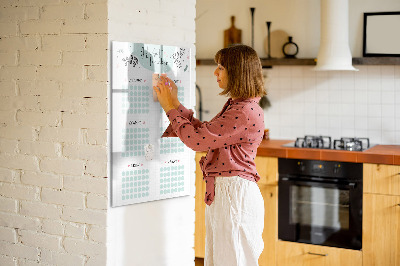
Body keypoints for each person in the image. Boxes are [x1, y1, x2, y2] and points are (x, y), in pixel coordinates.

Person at [153, 44, 266, 266]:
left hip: (234, 196)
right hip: (228, 194)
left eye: (221, 67)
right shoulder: (239, 106)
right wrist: (175, 103)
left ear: (237, 71)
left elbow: (197, 141)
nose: (215, 72)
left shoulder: (243, 111)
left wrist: (169, 108)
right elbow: (205, 133)